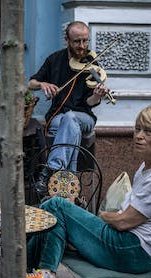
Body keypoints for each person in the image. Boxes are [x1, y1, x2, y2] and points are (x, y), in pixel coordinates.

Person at [23, 106, 151, 278]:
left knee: (57, 206)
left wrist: (101, 217)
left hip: (132, 252)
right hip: (126, 245)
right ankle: (30, 270)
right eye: (137, 129)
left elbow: (123, 222)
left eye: (148, 131)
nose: (138, 136)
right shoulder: (149, 165)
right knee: (55, 211)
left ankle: (29, 270)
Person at [28, 21, 110, 193]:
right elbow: (31, 83)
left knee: (71, 118)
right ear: (67, 40)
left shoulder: (92, 64)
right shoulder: (55, 59)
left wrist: (97, 95)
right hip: (58, 117)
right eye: (77, 41)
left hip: (84, 117)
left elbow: (90, 103)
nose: (82, 46)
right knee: (70, 124)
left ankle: (51, 171)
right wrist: (43, 84)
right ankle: (69, 186)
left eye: (85, 41)